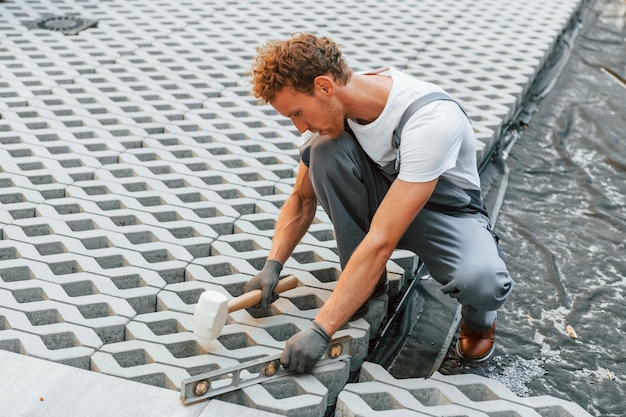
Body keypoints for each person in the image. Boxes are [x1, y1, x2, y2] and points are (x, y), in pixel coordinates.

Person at [243, 33, 514, 374]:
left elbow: (382, 240)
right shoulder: (332, 109)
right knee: (324, 151)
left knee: (484, 282)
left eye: (297, 113)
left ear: (325, 86)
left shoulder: (429, 120)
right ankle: (366, 285)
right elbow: (301, 197)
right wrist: (273, 263)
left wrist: (321, 329)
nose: (300, 127)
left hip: (443, 211)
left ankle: (479, 322)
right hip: (386, 203)